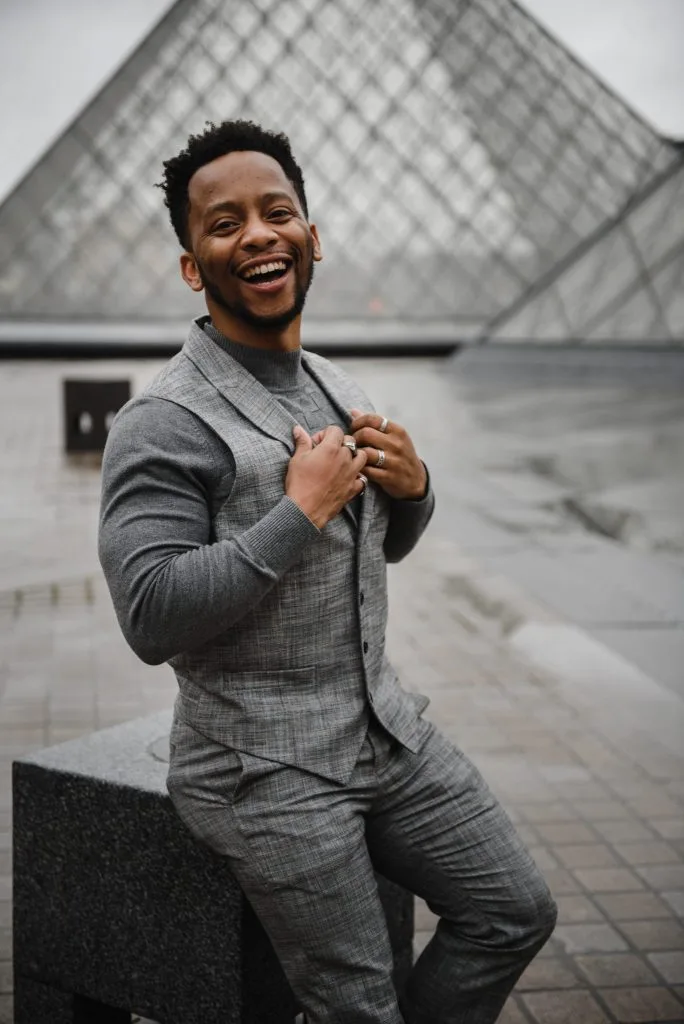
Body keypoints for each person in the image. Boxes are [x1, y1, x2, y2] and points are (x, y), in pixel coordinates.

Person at [99, 119, 556, 1024]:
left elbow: (383, 547)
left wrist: (417, 488)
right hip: (259, 765)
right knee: (355, 1002)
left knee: (515, 911)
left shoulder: (341, 386)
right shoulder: (161, 423)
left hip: (383, 728)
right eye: (224, 225)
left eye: (279, 213)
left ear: (313, 238)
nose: (258, 234)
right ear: (193, 266)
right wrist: (297, 511)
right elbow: (150, 618)